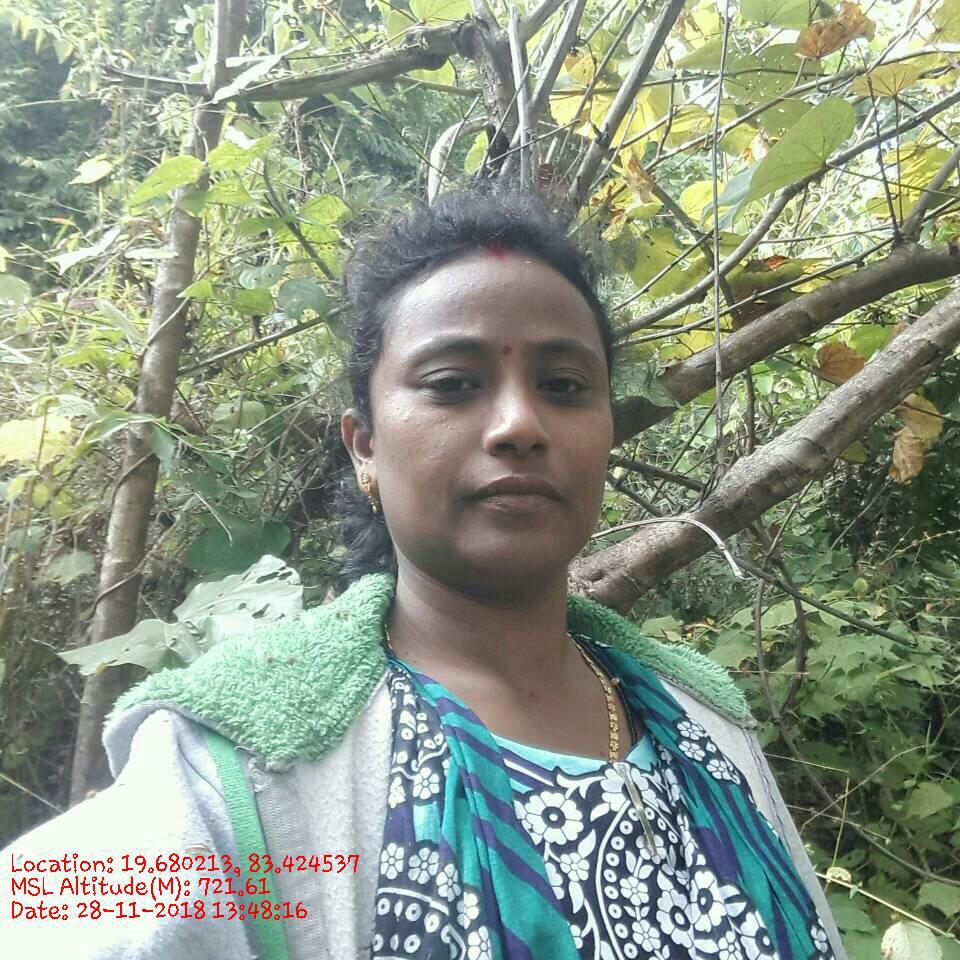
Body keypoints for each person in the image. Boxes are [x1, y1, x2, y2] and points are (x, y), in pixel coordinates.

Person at [2, 181, 846, 960]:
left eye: (563, 385)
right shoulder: (232, 770)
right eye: (451, 383)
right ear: (364, 447)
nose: (519, 424)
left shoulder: (704, 719)